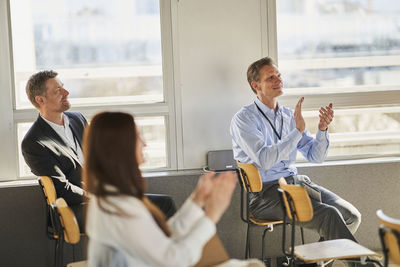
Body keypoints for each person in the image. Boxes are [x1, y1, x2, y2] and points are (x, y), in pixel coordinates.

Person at [83, 112, 262, 267]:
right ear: (121, 148)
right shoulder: (120, 206)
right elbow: (174, 260)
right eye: (138, 137)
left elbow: (162, 238)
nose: (144, 144)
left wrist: (197, 199)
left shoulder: (112, 197)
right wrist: (212, 215)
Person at [230, 57, 362, 245]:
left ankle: (316, 264)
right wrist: (297, 132)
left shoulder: (288, 116)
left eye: (279, 76)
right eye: (271, 78)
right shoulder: (244, 119)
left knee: (351, 216)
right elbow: (265, 159)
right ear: (256, 85)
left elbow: (316, 157)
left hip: (296, 183)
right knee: (330, 215)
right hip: (266, 196)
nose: (278, 80)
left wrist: (322, 130)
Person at [21, 70, 175, 230]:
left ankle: (157, 254)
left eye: (63, 87)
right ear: (40, 100)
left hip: (102, 197)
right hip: (74, 208)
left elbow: (98, 158)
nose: (66, 93)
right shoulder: (34, 142)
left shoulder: (77, 119)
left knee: (164, 204)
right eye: (57, 91)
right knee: (138, 213)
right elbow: (62, 189)